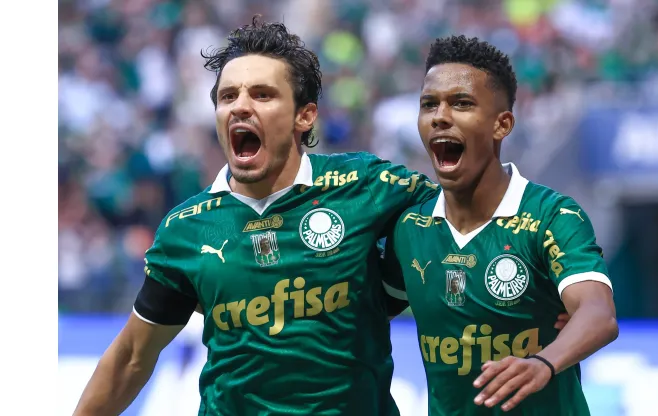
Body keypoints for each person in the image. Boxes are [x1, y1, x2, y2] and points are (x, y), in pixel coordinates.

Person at [72, 17, 440, 416]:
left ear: (305, 116)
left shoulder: (366, 185)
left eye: (262, 95)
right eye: (228, 96)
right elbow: (131, 358)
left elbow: (467, 224)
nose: (240, 106)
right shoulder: (187, 230)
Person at [380, 35, 618, 415]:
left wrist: (544, 362)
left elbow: (598, 314)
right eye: (429, 104)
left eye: (461, 103)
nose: (440, 116)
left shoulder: (552, 216)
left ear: (502, 124)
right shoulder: (410, 227)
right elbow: (367, 309)